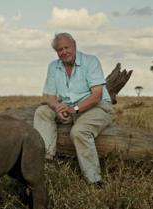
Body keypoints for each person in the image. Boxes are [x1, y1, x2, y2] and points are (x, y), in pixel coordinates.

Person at [34, 32, 112, 184]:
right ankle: (48, 160)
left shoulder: (91, 61)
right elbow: (50, 97)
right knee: (42, 112)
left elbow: (97, 96)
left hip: (96, 108)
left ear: (74, 46)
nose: (63, 52)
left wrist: (74, 109)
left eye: (66, 47)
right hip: (68, 108)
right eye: (59, 50)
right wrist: (57, 107)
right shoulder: (53, 66)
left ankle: (94, 180)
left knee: (79, 132)